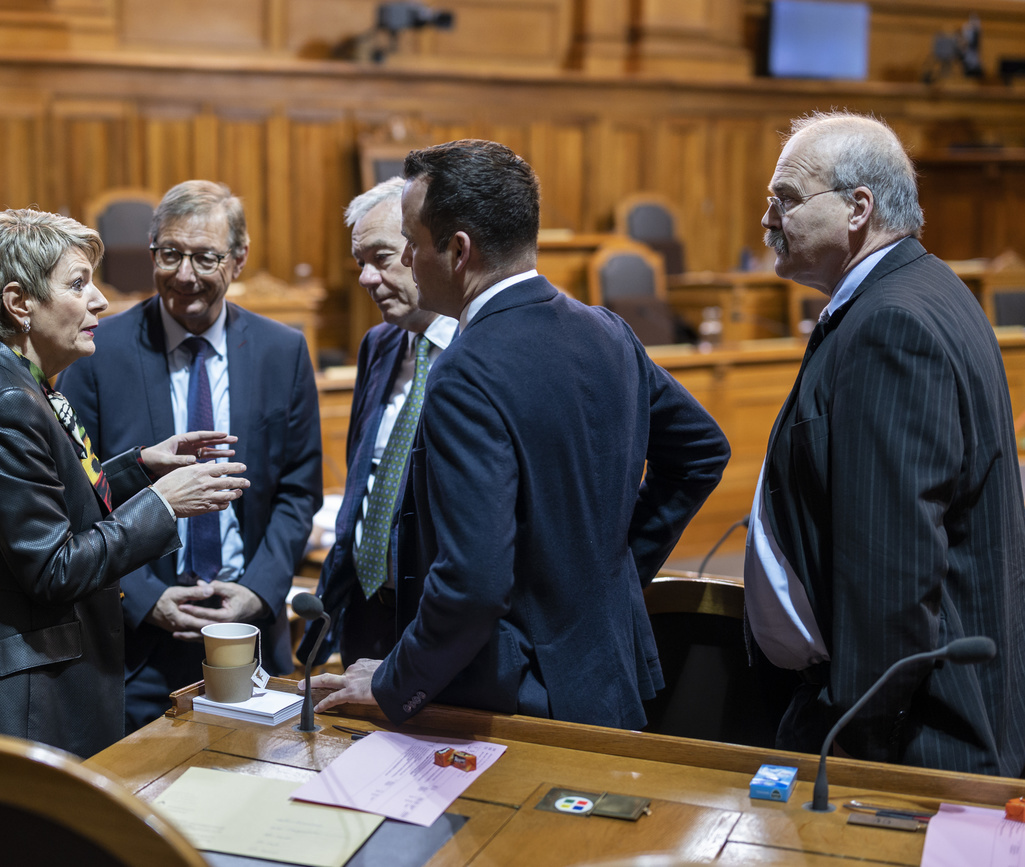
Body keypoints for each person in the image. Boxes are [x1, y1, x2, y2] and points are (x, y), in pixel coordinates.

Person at [311, 140, 729, 726]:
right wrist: (613, 570)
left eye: (411, 242)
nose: (406, 257)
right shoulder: (605, 329)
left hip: (515, 696)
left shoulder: (465, 367)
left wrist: (392, 682)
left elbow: (473, 584)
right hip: (609, 676)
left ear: (458, 250)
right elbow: (702, 452)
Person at [744, 111, 1025, 776]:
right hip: (916, 717)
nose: (768, 220)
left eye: (784, 200)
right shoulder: (921, 288)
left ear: (857, 208)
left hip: (914, 739)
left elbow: (893, 570)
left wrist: (853, 740)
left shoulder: (891, 323)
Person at [0, 208, 248, 758]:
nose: (100, 300)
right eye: (78, 284)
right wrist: (161, 505)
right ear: (19, 303)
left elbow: (52, 499)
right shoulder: (5, 401)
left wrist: (141, 467)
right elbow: (54, 568)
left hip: (37, 670)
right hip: (28, 691)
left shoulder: (12, 378)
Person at [58, 181, 323, 730]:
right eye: (170, 254)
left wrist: (259, 589)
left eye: (205, 257)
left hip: (250, 634)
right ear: (152, 251)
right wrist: (144, 596)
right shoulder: (97, 349)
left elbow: (298, 490)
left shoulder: (283, 350)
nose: (184, 274)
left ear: (239, 258)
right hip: (136, 644)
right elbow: (81, 497)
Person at [300, 177, 456, 667]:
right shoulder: (380, 344)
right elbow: (362, 488)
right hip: (367, 612)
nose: (366, 278)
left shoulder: (482, 351)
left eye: (381, 259)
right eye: (359, 264)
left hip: (441, 623)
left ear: (422, 252)